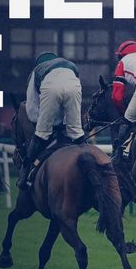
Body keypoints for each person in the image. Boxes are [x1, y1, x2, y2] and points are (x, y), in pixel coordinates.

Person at [18, 52, 84, 190]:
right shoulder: (67, 64)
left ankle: (25, 173)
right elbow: (68, 101)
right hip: (74, 83)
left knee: (42, 133)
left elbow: (31, 108)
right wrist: (64, 125)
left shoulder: (36, 71)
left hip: (51, 87)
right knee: (76, 132)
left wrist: (45, 125)